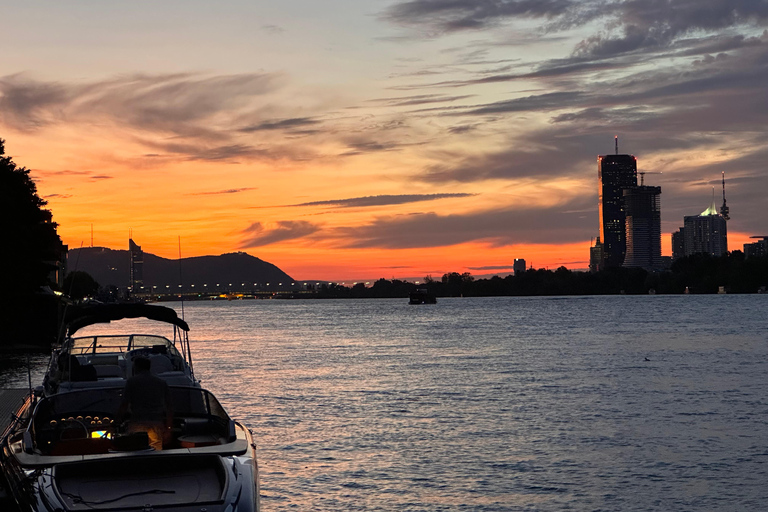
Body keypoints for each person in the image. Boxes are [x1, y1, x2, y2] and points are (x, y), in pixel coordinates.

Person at [116, 356, 173, 450]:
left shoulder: (132, 382)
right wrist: (168, 428)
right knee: (156, 450)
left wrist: (117, 421)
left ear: (136, 367)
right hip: (156, 423)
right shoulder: (161, 383)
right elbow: (169, 407)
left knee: (136, 450)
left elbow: (124, 404)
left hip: (137, 422)